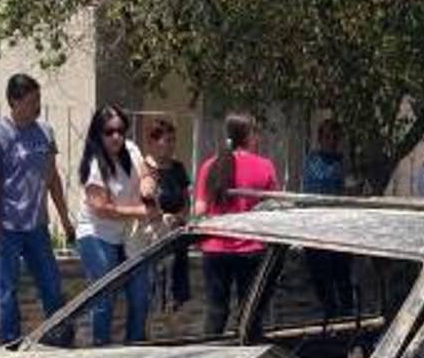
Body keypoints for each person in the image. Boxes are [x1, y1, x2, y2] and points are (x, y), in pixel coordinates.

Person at [0, 73, 77, 344]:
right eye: (33, 100)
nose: (37, 106)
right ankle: (10, 344)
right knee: (7, 291)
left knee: (51, 285)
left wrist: (65, 219)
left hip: (37, 226)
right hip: (8, 228)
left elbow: (52, 177)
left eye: (39, 100)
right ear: (14, 101)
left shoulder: (44, 132)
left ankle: (60, 338)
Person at [74, 105, 157, 345]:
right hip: (97, 233)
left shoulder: (131, 150)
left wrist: (148, 186)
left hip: (128, 235)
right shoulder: (94, 166)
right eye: (109, 132)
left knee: (141, 295)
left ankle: (135, 346)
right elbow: (102, 208)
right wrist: (139, 211)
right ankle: (101, 349)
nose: (116, 137)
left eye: (121, 130)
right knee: (105, 297)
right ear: (98, 134)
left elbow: (145, 175)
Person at [195, 112, 280, 336]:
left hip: (214, 249)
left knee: (215, 311)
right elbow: (274, 209)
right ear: (249, 135)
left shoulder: (209, 166)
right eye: (256, 132)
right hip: (250, 249)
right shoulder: (265, 166)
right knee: (250, 312)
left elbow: (200, 210)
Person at [300, 118, 355, 316]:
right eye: (327, 137)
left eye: (335, 137)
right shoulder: (312, 160)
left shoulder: (343, 162)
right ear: (320, 138)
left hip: (339, 227)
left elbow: (349, 190)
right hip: (315, 225)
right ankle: (329, 310)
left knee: (341, 275)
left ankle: (346, 313)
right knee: (320, 277)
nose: (331, 141)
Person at [141, 118, 194, 308]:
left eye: (173, 140)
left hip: (177, 236)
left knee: (176, 297)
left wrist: (180, 217)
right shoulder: (143, 168)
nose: (171, 145)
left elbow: (186, 200)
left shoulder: (178, 168)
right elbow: (143, 201)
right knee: (153, 289)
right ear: (153, 142)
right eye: (167, 140)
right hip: (152, 238)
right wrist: (161, 217)